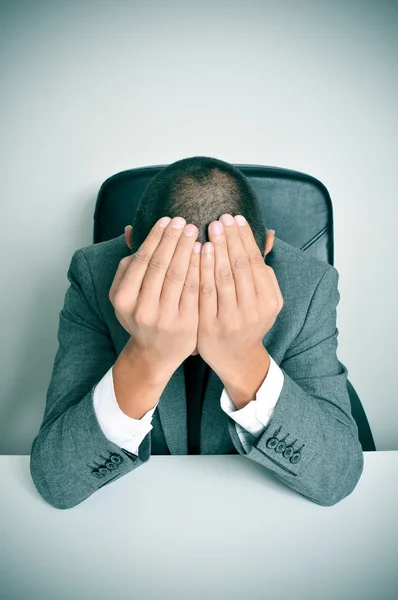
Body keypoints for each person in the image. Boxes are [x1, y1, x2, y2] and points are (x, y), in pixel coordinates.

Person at [29, 156, 364, 509]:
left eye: (222, 285)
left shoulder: (308, 285)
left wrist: (242, 359)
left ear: (266, 250)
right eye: (173, 285)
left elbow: (336, 477)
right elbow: (56, 480)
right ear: (130, 245)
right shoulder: (94, 275)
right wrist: (148, 357)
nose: (195, 310)